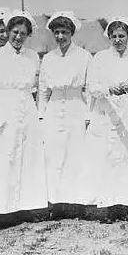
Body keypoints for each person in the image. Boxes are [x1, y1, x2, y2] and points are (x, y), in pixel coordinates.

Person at [0, 10, 48, 226]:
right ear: (7, 31)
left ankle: (24, 208)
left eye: (23, 33)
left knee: (26, 158)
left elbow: (35, 89)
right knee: (2, 160)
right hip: (3, 112)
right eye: (14, 32)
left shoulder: (33, 56)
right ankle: (0, 211)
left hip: (26, 111)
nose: (18, 37)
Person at [85, 16, 128, 221]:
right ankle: (107, 205)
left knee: (127, 156)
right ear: (109, 37)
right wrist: (108, 89)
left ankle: (126, 204)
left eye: (122, 36)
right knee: (106, 157)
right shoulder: (99, 58)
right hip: (106, 112)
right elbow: (91, 86)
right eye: (114, 36)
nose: (118, 40)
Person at [37, 11, 93, 215]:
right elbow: (43, 90)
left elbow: (89, 88)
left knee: (75, 154)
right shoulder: (48, 58)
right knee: (53, 155)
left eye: (64, 32)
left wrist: (88, 116)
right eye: (57, 32)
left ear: (72, 33)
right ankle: (54, 202)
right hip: (53, 109)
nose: (60, 37)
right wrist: (41, 116)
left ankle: (76, 203)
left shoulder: (84, 56)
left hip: (76, 107)